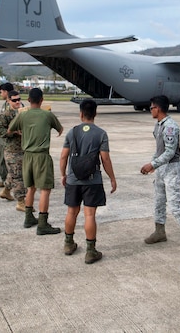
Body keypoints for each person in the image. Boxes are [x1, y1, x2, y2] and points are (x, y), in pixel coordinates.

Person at [59, 99, 118, 264]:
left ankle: (68, 244)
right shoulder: (101, 133)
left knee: (71, 212)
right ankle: (90, 251)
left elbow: (63, 156)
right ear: (95, 113)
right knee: (89, 215)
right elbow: (105, 159)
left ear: (81, 113)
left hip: (73, 179)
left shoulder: (72, 132)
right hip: (92, 181)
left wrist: (63, 174)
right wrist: (112, 178)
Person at [140, 95, 180, 253]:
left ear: (158, 108)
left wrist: (152, 164)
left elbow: (170, 152)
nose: (150, 110)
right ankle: (160, 231)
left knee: (174, 204)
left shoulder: (170, 126)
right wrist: (153, 164)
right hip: (162, 168)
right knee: (159, 201)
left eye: (151, 108)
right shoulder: (158, 125)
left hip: (172, 168)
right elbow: (159, 150)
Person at [9, 87, 63, 235]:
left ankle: (28, 218)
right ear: (42, 100)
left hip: (27, 156)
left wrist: (22, 132)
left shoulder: (23, 115)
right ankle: (42, 223)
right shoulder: (47, 115)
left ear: (28, 100)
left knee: (31, 188)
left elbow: (10, 129)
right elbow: (60, 129)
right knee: (45, 189)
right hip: (41, 156)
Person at [0, 90, 26, 207]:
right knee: (19, 176)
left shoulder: (23, 112)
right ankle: (21, 201)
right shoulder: (5, 115)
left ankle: (6, 191)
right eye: (14, 100)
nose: (17, 102)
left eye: (19, 99)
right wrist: (13, 132)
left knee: (13, 173)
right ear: (8, 100)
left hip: (23, 148)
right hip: (12, 150)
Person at [0, 82, 14, 189]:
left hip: (10, 137)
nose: (0, 94)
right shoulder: (5, 105)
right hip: (3, 135)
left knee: (9, 161)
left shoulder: (14, 105)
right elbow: (0, 122)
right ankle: (5, 180)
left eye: (1, 92)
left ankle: (9, 182)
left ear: (6, 92)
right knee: (0, 160)